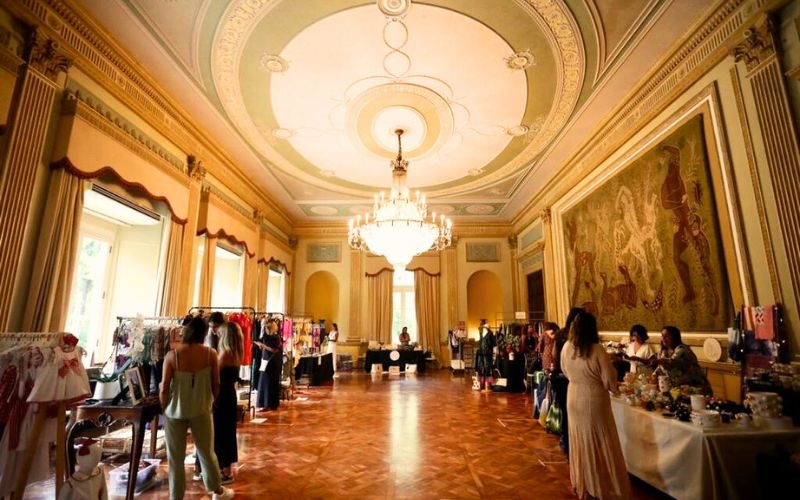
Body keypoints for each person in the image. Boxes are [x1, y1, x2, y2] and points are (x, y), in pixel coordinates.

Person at [160, 316, 233, 500]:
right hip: (201, 409)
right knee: (207, 452)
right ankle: (217, 491)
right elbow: (216, 384)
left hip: (175, 411)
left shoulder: (172, 356)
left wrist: (164, 407)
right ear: (203, 333)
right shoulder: (211, 354)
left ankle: (175, 496)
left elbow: (164, 387)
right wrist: (209, 401)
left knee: (175, 457)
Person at [560, 311, 631, 500]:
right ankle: (601, 484)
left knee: (579, 439)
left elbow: (564, 370)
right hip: (593, 397)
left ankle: (582, 481)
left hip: (573, 394)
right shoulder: (597, 350)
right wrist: (614, 384)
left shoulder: (567, 347)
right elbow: (609, 380)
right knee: (600, 440)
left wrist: (578, 380)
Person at [214, 321, 244, 484]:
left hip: (222, 395)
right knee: (228, 432)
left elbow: (215, 374)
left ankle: (225, 471)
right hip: (229, 394)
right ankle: (227, 469)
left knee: (220, 432)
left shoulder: (225, 353)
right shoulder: (236, 351)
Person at [553, 307, 583, 458]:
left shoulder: (560, 334)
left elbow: (554, 354)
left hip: (559, 375)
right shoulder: (575, 337)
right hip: (569, 379)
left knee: (565, 412)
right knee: (573, 414)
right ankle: (573, 443)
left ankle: (566, 441)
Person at [653, 326, 712, 394]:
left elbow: (670, 362)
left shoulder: (683, 350)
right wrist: (654, 374)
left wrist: (650, 361)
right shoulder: (665, 351)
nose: (663, 338)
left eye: (667, 336)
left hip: (696, 390)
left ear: (675, 337)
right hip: (681, 391)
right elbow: (660, 368)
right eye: (662, 336)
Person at [255, 318, 283, 411]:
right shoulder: (267, 337)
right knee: (264, 382)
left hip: (272, 363)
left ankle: (269, 404)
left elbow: (274, 349)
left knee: (269, 383)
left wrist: (263, 346)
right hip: (265, 360)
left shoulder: (276, 337)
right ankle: (264, 403)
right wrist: (261, 346)